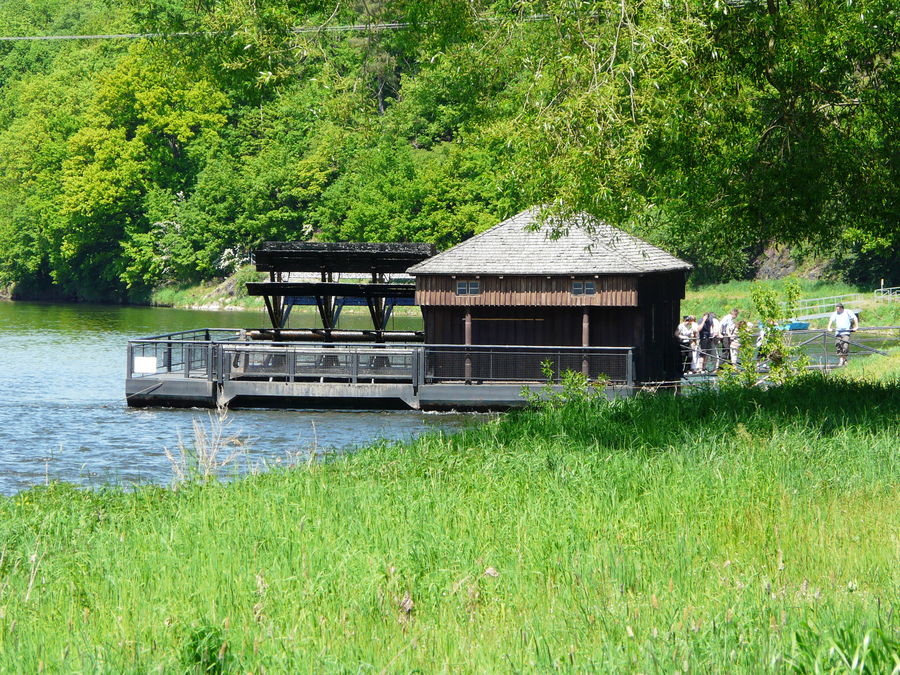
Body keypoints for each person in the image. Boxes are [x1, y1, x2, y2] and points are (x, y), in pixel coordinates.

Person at [826, 303, 858, 367]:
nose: (837, 310)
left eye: (838, 308)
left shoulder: (847, 311)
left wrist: (856, 326)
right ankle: (842, 360)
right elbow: (831, 320)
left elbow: (854, 318)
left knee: (845, 346)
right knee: (838, 345)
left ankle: (844, 359)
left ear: (841, 308)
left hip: (846, 332)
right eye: (836, 308)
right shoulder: (835, 313)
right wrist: (828, 327)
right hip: (838, 332)